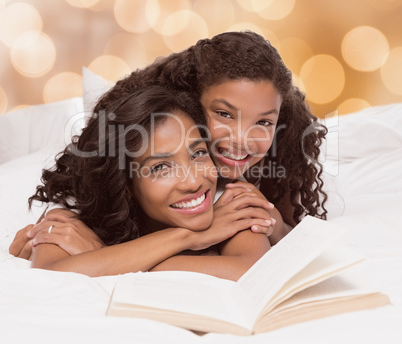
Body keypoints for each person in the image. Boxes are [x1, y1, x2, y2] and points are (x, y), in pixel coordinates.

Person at [10, 31, 327, 258]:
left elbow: (274, 242)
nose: (241, 140)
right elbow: (59, 247)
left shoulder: (260, 177)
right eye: (223, 114)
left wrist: (275, 225)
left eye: (263, 122)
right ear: (188, 103)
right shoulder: (135, 150)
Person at [26, 86, 273, 280]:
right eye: (160, 167)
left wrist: (101, 257)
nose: (193, 181)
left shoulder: (230, 198)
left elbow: (251, 271)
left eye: (198, 153)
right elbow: (50, 274)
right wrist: (187, 237)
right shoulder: (75, 215)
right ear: (126, 187)